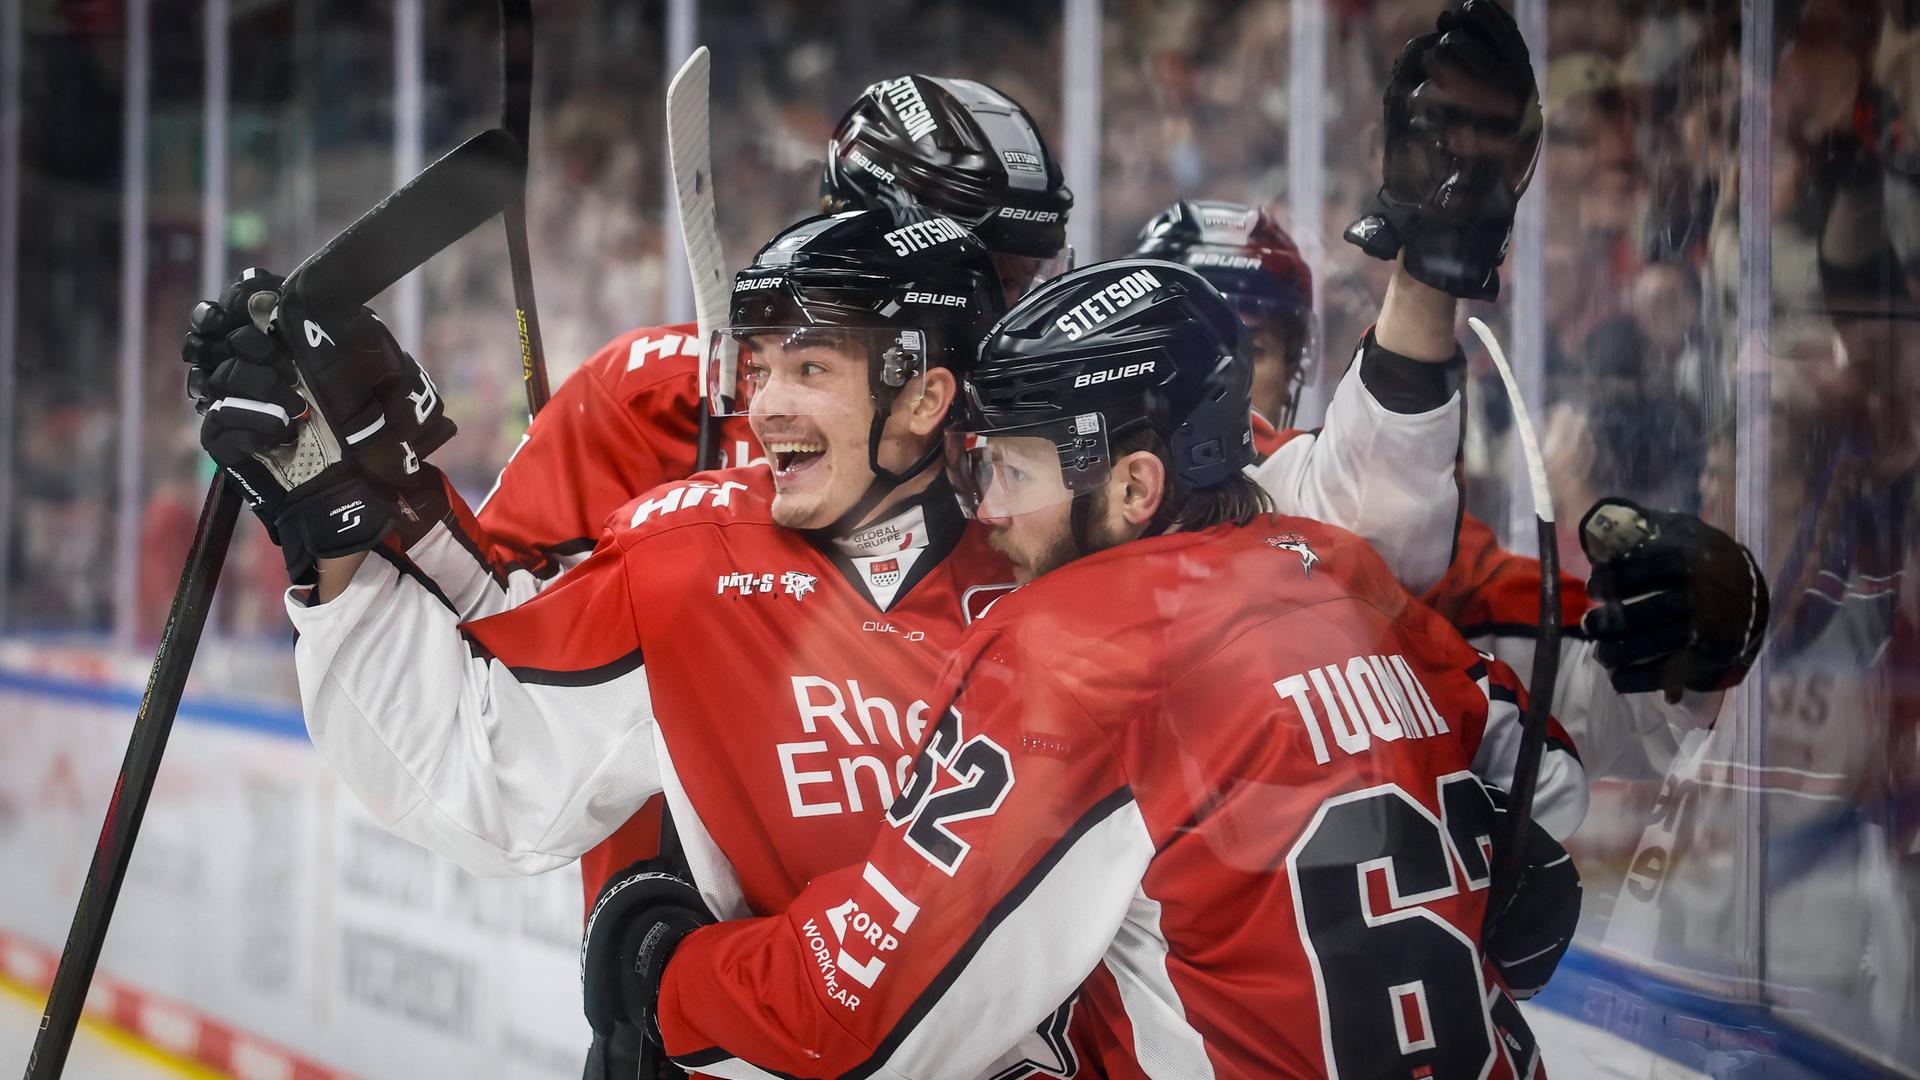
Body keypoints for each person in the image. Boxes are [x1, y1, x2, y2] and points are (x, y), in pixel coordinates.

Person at [593, 260, 1583, 1080]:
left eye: (1014, 473)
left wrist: (664, 968)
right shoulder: (1338, 568)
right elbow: (1548, 774)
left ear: (1135, 485)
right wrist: (1514, 837)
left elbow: (864, 1018)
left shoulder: (1078, 645)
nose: (988, 512)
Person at [1131, 198, 1770, 784]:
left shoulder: (1407, 545)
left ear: (1296, 369)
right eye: (1180, 356)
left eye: (1254, 352)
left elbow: (1601, 700)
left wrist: (1691, 635)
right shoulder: (1051, 514)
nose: (1216, 392)